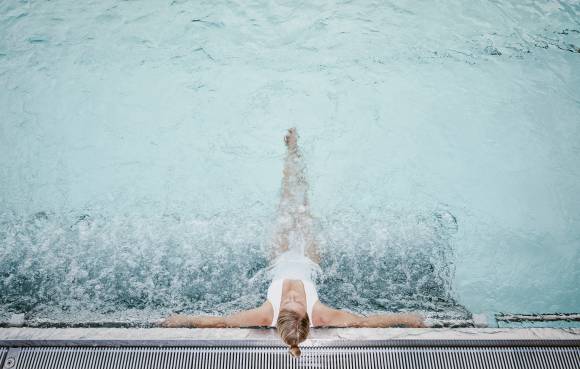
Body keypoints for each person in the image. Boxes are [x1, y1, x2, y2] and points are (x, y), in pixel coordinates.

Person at [161, 128, 425, 357]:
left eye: (288, 304)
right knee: (302, 205)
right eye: (295, 304)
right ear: (308, 317)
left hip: (279, 257)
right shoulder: (320, 313)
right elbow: (364, 322)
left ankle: (291, 152)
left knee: (287, 201)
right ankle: (294, 150)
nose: (291, 297)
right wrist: (406, 319)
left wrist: (180, 320)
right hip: (309, 257)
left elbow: (222, 323)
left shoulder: (266, 313)